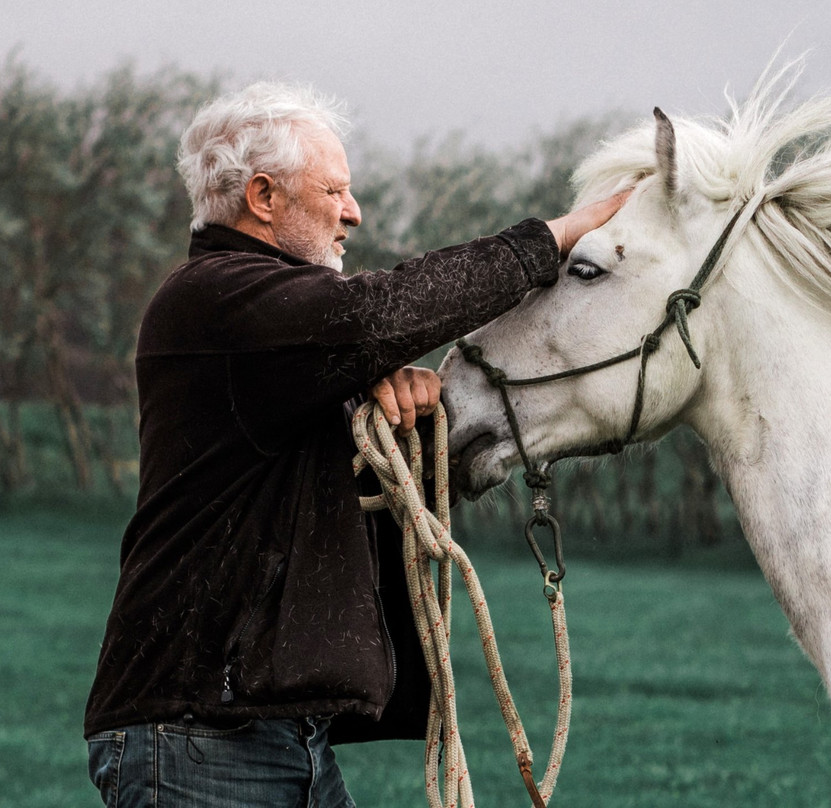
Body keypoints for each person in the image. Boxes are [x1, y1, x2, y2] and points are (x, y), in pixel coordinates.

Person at [84, 81, 627, 807]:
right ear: (265, 197)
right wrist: (553, 239)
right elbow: (372, 316)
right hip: (197, 735)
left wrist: (394, 407)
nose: (354, 212)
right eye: (335, 190)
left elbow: (346, 359)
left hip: (273, 736)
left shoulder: (281, 339)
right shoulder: (215, 299)